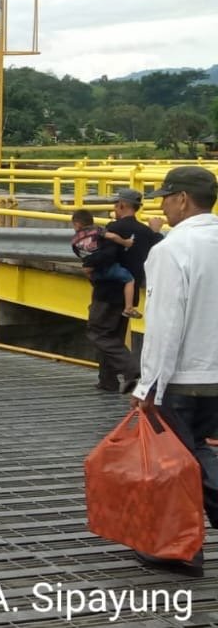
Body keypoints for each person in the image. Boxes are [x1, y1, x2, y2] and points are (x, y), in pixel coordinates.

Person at [129, 166, 218, 578]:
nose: (162, 205)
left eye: (166, 197)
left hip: (182, 377)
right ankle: (182, 547)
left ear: (182, 199)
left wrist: (148, 385)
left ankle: (181, 550)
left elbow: (165, 324)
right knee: (197, 452)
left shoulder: (171, 249)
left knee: (179, 463)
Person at [83, 188, 163, 393]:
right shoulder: (146, 232)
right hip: (130, 291)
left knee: (97, 332)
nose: (114, 208)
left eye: (116, 204)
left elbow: (107, 255)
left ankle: (131, 369)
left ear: (122, 205)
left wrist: (89, 265)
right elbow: (157, 253)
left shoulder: (114, 228)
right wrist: (156, 232)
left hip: (108, 290)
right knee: (114, 337)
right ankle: (107, 380)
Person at [70, 208, 140, 318]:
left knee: (95, 283)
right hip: (108, 268)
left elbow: (79, 254)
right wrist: (125, 242)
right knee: (129, 279)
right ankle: (128, 308)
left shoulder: (74, 240)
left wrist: (89, 264)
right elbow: (112, 236)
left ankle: (94, 302)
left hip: (93, 271)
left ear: (77, 224)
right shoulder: (96, 231)